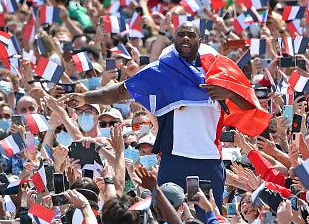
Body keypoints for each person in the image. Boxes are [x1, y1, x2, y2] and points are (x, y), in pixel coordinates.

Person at [63, 21, 269, 210]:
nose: (185, 38)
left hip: (209, 159)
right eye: (181, 35)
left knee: (211, 217)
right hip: (174, 159)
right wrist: (86, 98)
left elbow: (250, 105)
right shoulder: (163, 71)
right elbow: (121, 91)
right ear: (174, 40)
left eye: (190, 35)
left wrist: (229, 93)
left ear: (201, 40)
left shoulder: (218, 71)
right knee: (166, 215)